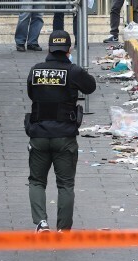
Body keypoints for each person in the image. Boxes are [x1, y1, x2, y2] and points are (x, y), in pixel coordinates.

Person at [24, 30, 96, 233]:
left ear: (49, 48)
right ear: (68, 49)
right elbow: (91, 87)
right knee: (65, 184)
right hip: (64, 136)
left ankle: (41, 223)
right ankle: (63, 229)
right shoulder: (73, 71)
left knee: (37, 181)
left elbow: (31, 94)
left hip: (38, 134)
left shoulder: (36, 70)